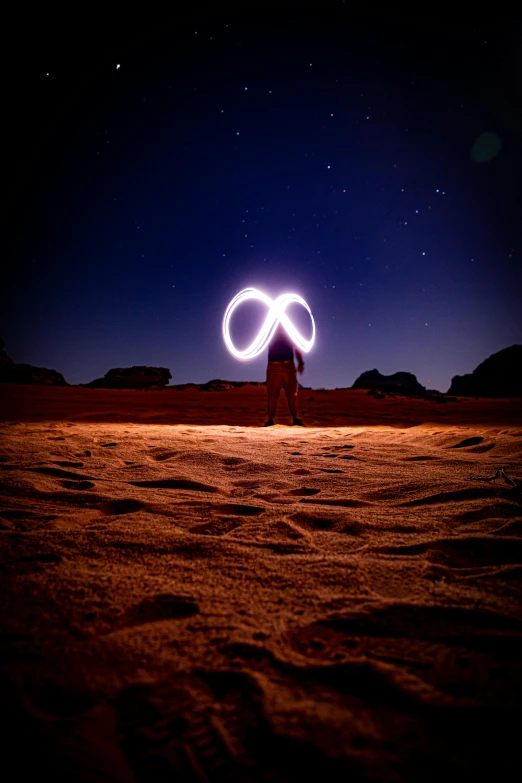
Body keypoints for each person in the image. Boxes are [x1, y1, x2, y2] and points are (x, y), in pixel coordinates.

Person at [264, 323, 305, 426]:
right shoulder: (270, 331)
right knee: (273, 394)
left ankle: (295, 418)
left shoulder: (288, 331)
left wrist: (300, 362)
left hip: (287, 365)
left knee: (292, 394)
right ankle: (270, 420)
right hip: (274, 365)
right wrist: (300, 362)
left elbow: (296, 348)